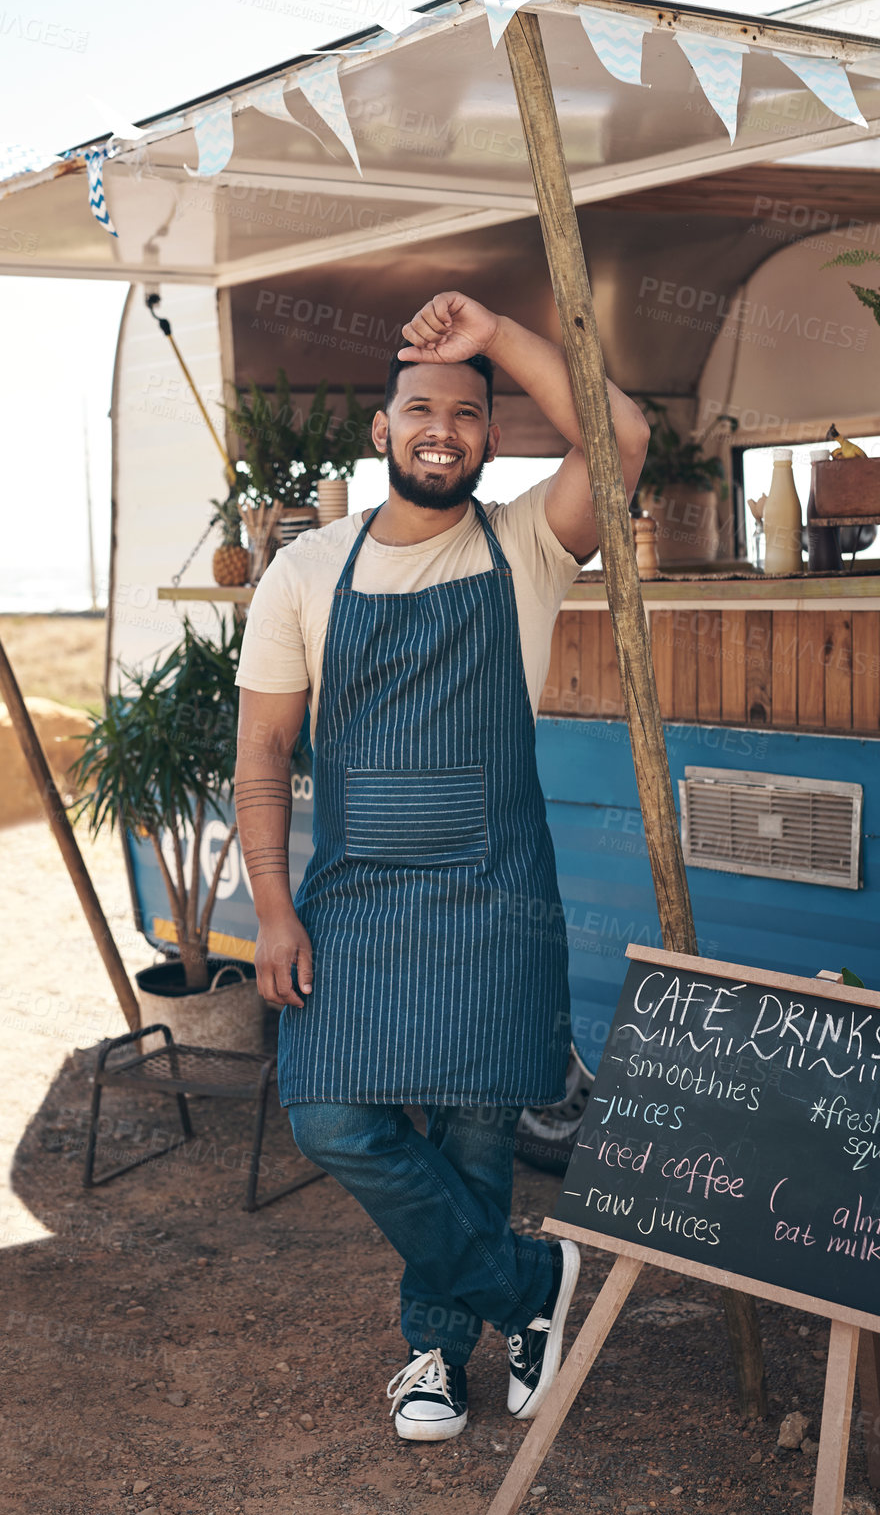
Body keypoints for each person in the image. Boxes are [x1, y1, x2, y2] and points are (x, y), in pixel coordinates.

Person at [234, 290, 649, 1441]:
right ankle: (530, 1291)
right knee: (333, 1119)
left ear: (490, 437)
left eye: (466, 412)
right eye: (419, 407)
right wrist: (271, 903)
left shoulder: (523, 545)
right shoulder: (306, 573)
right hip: (356, 893)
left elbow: (620, 445)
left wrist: (498, 340)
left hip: (490, 892)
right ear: (381, 432)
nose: (441, 427)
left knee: (473, 1133)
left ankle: (432, 1351)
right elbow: (262, 753)